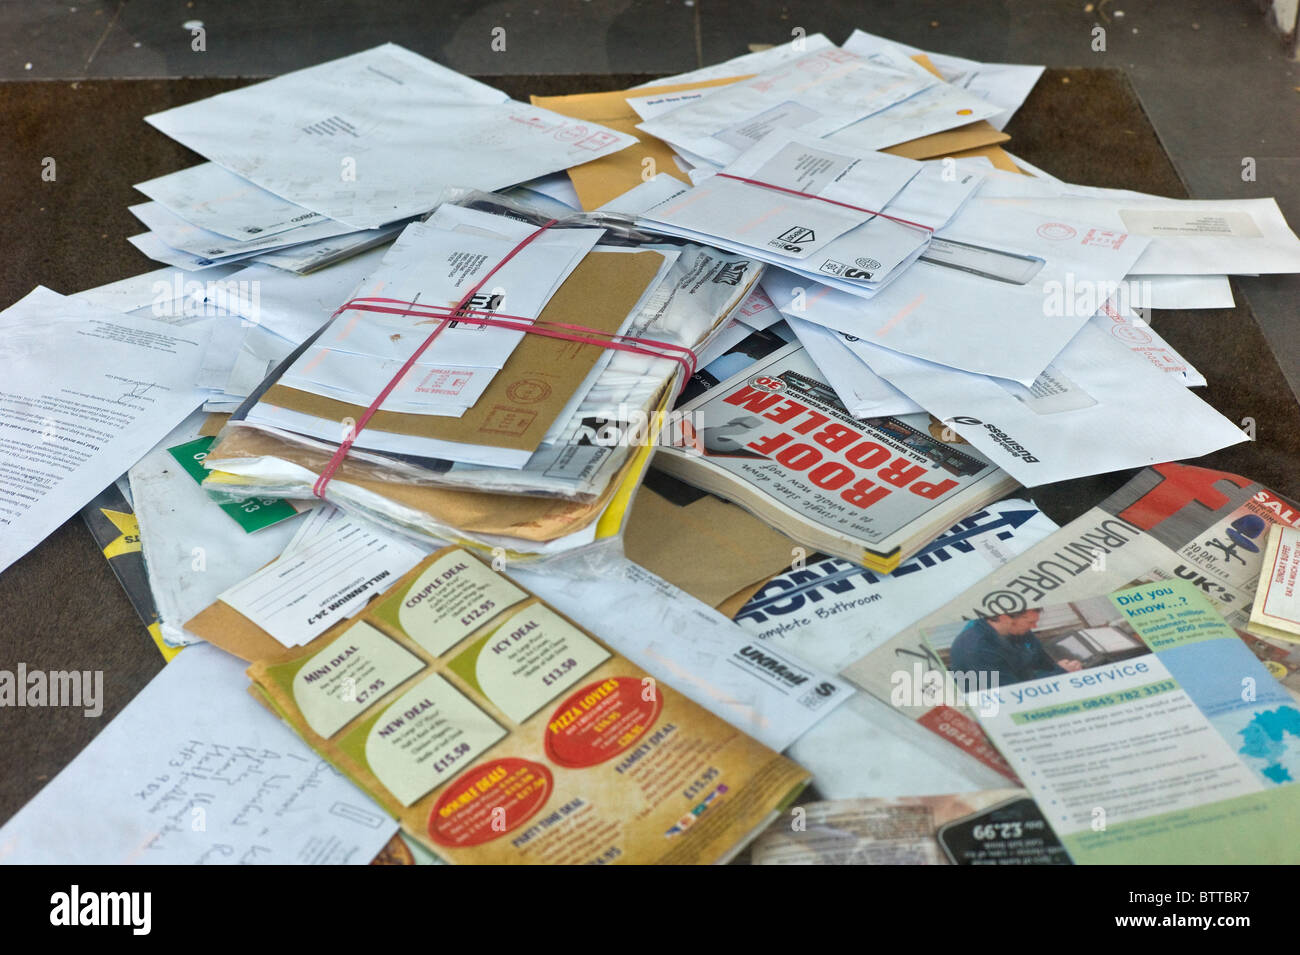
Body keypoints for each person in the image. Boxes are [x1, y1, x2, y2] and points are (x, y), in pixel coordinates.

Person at [948, 608, 1083, 688]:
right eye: (1030, 622)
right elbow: (1011, 691)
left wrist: (1063, 667)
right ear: (1004, 618)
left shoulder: (1016, 630)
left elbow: (1041, 659)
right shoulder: (976, 649)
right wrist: (1059, 672)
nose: (1034, 627)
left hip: (1025, 680)